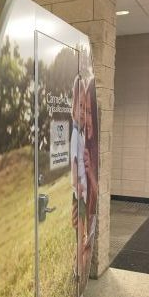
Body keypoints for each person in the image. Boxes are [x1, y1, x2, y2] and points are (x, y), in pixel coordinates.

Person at [70, 74, 87, 283]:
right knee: (81, 237)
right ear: (73, 106)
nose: (82, 112)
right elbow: (74, 175)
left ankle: (77, 268)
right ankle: (79, 272)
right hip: (80, 196)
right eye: (79, 105)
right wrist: (81, 189)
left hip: (81, 195)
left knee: (80, 237)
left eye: (85, 107)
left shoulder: (80, 133)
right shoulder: (75, 136)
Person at [82, 78, 99, 278]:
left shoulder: (96, 149)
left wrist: (92, 176)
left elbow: (99, 192)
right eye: (83, 111)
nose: (86, 118)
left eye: (89, 112)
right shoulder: (86, 145)